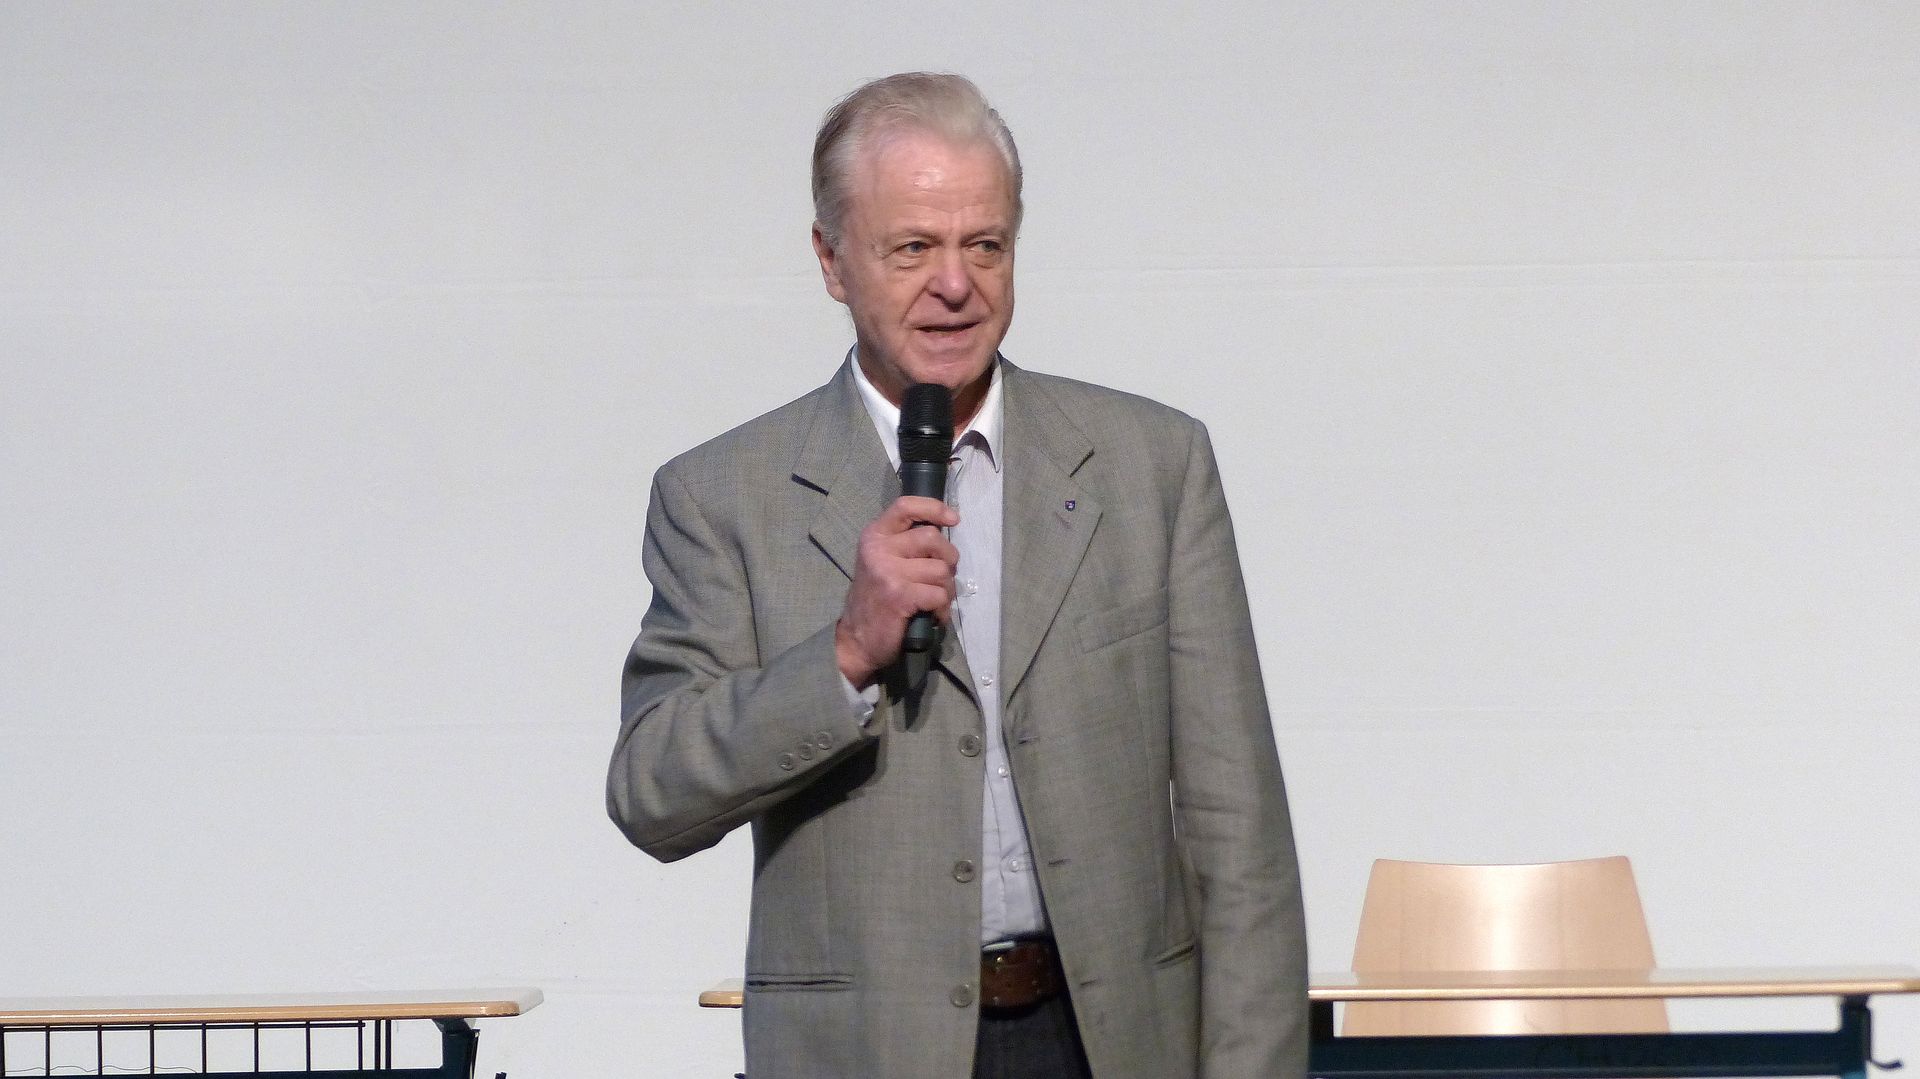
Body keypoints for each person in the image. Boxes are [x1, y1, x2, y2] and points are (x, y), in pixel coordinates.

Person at [608, 71, 1307, 1079]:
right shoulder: (723, 494)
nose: (955, 284)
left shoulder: (1151, 463)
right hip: (867, 1053)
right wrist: (844, 653)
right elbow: (652, 790)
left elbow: (1239, 830)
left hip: (1110, 1039)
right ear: (831, 260)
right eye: (912, 248)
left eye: (986, 244)